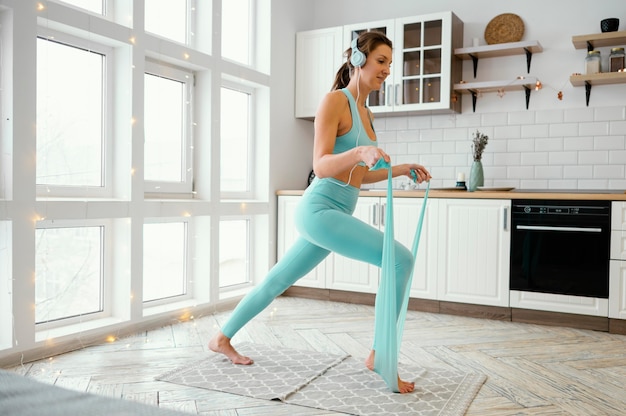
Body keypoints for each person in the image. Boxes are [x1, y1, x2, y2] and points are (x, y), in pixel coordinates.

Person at [209, 30, 431, 394]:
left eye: (390, 64)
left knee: (276, 281)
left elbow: (361, 175)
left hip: (335, 211)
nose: (387, 70)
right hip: (319, 209)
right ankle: (380, 356)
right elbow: (323, 165)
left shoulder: (366, 112)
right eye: (381, 61)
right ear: (359, 60)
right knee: (400, 260)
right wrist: (359, 153)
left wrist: (401, 168)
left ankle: (221, 338)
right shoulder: (335, 102)